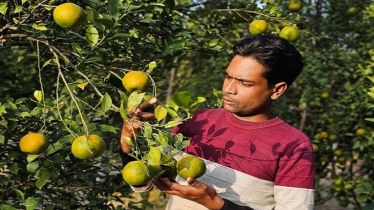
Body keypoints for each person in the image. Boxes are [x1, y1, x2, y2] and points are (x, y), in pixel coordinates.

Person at [120, 35, 315, 210]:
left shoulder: (294, 146)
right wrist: (129, 142)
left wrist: (216, 204)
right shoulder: (197, 121)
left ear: (277, 89)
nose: (229, 89)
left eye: (245, 83)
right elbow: (145, 183)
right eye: (228, 77)